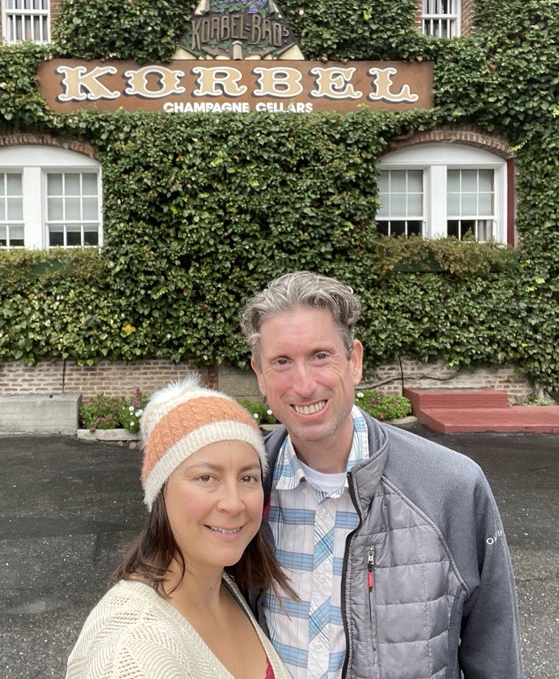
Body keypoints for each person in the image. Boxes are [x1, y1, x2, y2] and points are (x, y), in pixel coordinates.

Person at [239, 271, 523, 679]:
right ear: (260, 375)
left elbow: (493, 648)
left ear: (354, 361)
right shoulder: (242, 488)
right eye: (282, 362)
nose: (303, 385)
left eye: (321, 356)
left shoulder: (450, 486)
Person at [66, 375, 295, 679]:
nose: (234, 503)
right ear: (160, 491)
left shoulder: (224, 588)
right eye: (206, 477)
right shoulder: (131, 653)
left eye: (248, 478)